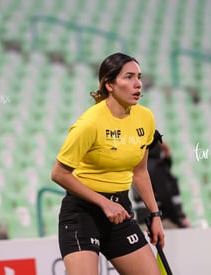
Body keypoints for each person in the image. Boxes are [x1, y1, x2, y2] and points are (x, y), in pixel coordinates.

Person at [51, 52, 165, 275]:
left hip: (120, 211)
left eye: (139, 77)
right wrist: (104, 203)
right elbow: (59, 174)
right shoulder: (89, 123)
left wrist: (155, 215)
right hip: (82, 214)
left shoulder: (146, 118)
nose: (138, 84)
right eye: (128, 77)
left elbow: (140, 172)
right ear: (109, 84)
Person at [132, 136, 191, 229]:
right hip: (162, 220)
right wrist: (178, 221)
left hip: (144, 220)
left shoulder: (138, 168)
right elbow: (165, 197)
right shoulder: (157, 168)